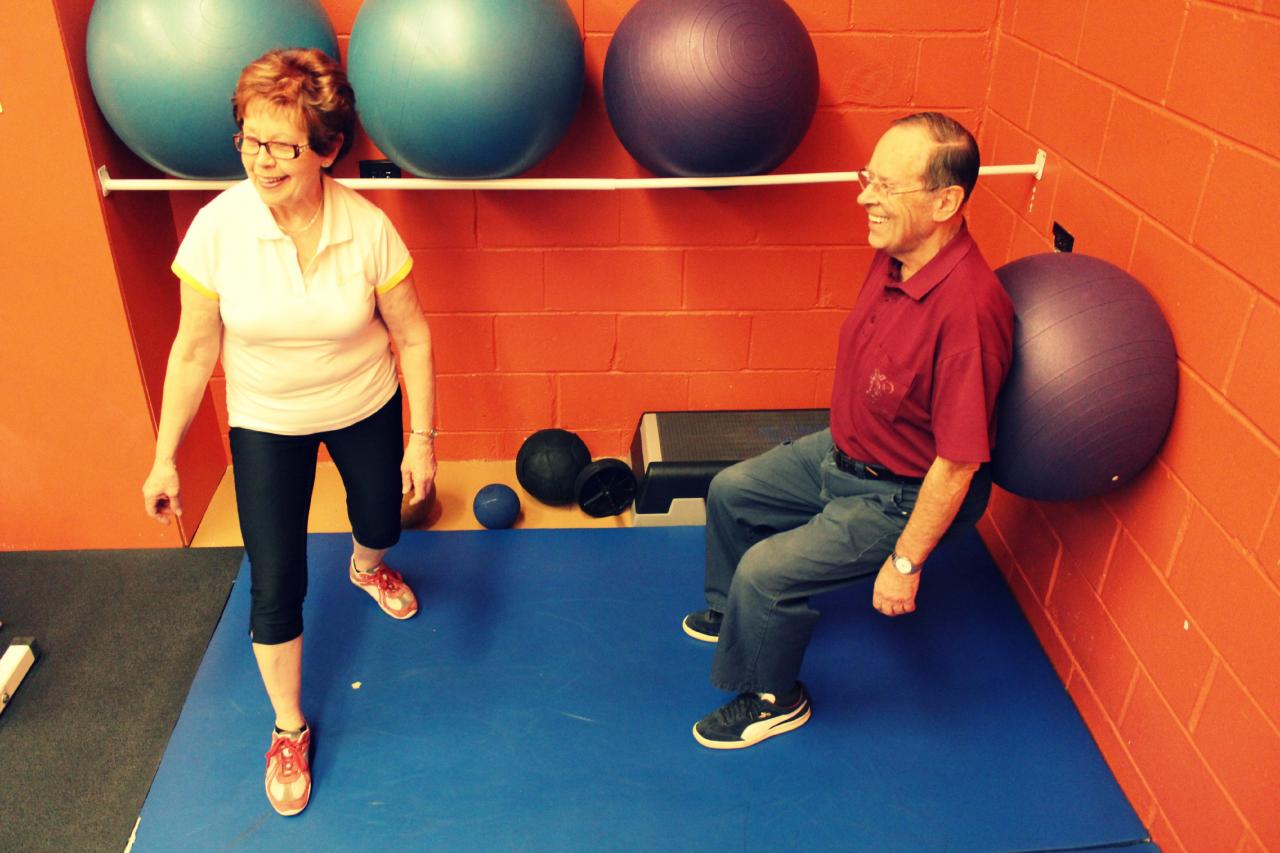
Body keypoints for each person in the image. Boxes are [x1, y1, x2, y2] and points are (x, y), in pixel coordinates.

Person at [141, 48, 437, 815]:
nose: (260, 158)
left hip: (364, 402)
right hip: (267, 418)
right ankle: (287, 726)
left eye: (281, 144)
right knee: (276, 580)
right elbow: (193, 347)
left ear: (327, 149)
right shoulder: (216, 229)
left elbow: (413, 336)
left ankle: (367, 567)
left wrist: (423, 436)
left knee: (381, 521)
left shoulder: (368, 229)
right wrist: (165, 455)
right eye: (248, 136)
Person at [681, 112, 1015, 749]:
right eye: (869, 179)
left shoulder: (969, 314)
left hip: (902, 493)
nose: (865, 197)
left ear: (946, 201)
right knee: (731, 491)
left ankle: (774, 696)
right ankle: (733, 613)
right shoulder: (896, 257)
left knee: (767, 572)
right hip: (843, 452)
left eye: (886, 188)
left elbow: (959, 465)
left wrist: (906, 562)